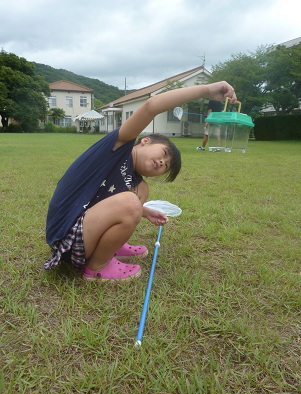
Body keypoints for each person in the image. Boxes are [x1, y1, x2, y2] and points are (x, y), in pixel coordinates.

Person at [44, 81, 237, 282]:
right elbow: (151, 107)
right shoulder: (118, 146)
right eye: (163, 154)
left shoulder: (136, 181)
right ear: (145, 141)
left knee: (139, 192)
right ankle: (97, 268)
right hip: (66, 238)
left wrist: (144, 211)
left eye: (166, 166)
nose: (162, 162)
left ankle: (110, 247)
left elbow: (102, 201)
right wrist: (205, 90)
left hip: (83, 233)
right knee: (130, 202)